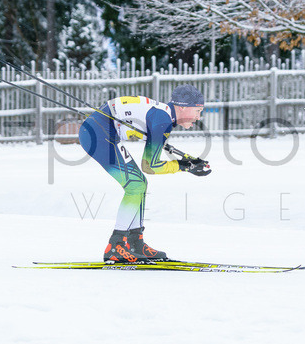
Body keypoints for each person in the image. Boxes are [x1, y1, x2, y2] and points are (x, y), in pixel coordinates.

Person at [78, 84, 211, 263]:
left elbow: (156, 151)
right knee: (136, 185)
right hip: (98, 134)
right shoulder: (162, 119)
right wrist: (184, 166)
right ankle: (116, 245)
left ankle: (135, 243)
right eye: (198, 110)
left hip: (101, 132)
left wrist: (187, 162)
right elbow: (150, 165)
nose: (198, 116)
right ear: (182, 107)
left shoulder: (163, 115)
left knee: (139, 184)